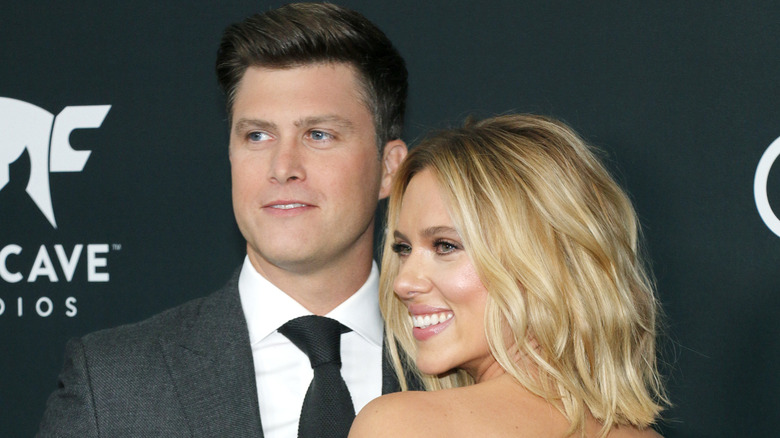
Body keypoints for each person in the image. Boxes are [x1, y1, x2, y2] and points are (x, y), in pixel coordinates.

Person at [37, 3, 409, 437]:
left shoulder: (473, 367)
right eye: (257, 135)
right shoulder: (111, 383)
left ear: (389, 168)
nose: (283, 165)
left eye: (319, 135)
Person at [349, 114, 667, 438]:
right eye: (403, 248)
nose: (403, 283)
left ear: (541, 262)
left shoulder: (402, 425)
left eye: (445, 246)